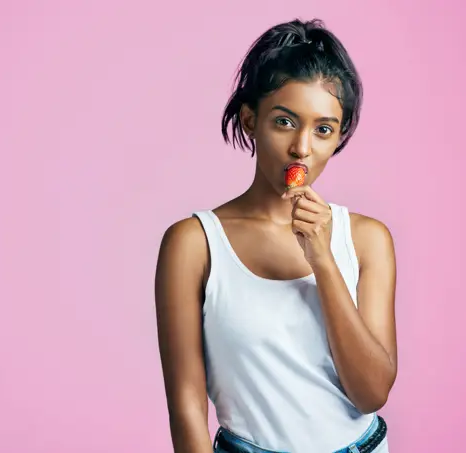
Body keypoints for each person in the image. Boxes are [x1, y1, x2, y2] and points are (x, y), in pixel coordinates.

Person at [155, 18, 397, 453]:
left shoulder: (367, 239)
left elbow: (372, 393)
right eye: (285, 122)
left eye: (323, 130)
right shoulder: (194, 244)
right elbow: (187, 409)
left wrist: (322, 260)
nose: (302, 147)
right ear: (250, 120)